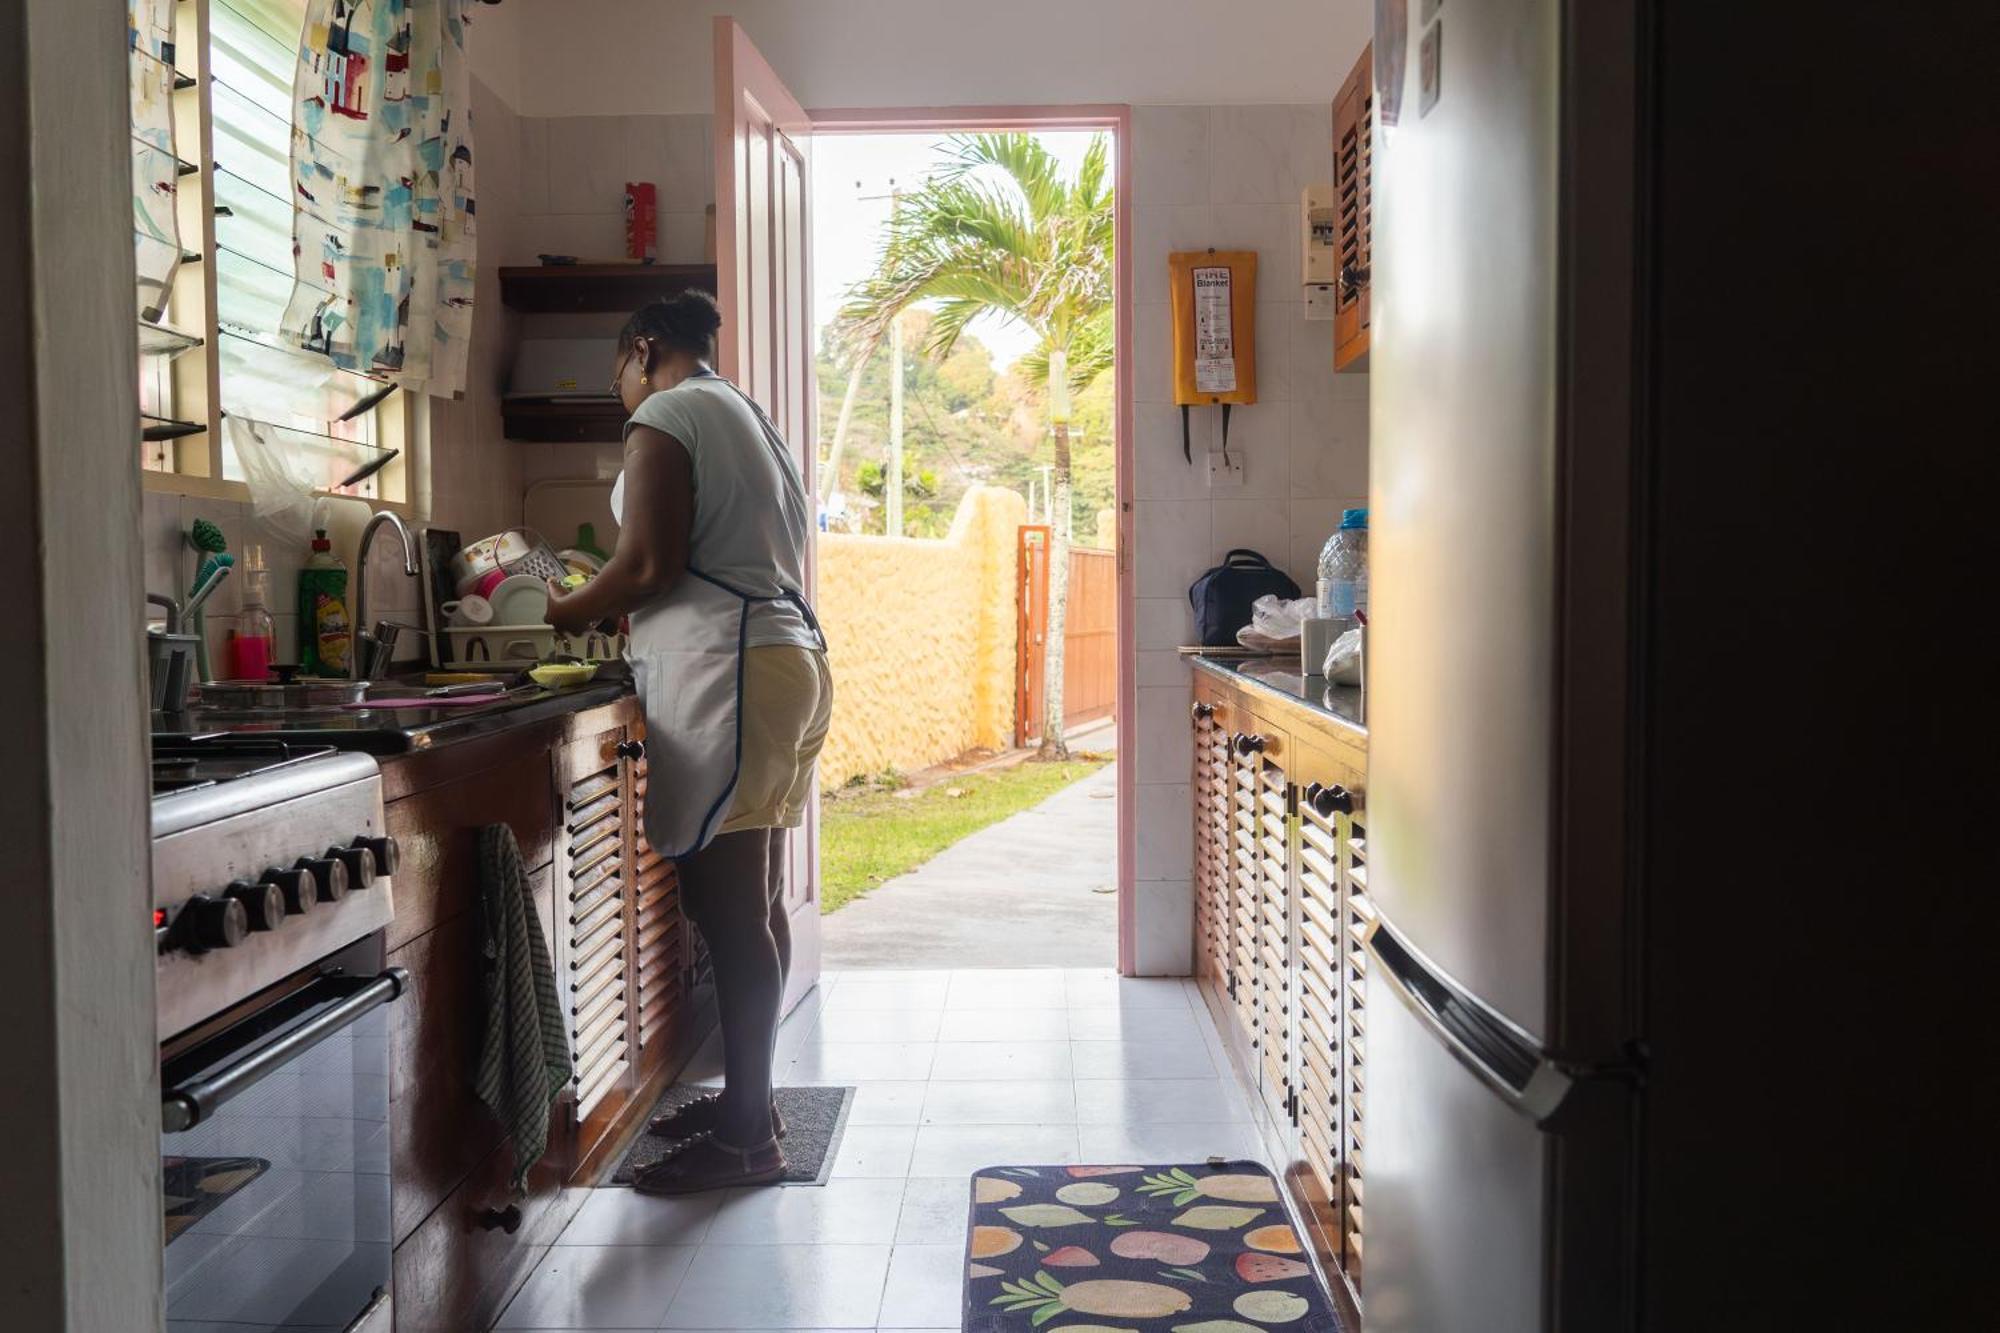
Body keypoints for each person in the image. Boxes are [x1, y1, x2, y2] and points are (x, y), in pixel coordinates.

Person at [545, 290, 830, 1193]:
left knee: (731, 910)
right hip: (779, 658)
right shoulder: (744, 410)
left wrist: (562, 608)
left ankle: (748, 1135)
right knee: (757, 903)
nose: (620, 391)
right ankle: (753, 1103)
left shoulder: (669, 410)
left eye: (617, 373)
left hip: (731, 670)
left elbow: (648, 565)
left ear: (641, 347)